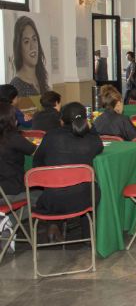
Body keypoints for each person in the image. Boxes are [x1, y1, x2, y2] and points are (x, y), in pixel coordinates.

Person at [33, 102, 103, 239]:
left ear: (61, 120)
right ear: (85, 120)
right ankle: (88, 234)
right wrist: (91, 128)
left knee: (56, 188)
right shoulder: (91, 140)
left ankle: (53, 223)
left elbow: (37, 164)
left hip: (51, 201)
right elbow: (99, 146)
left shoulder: (50, 136)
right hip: (83, 199)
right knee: (90, 188)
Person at [0, 102, 38, 211]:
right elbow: (36, 151)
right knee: (44, 196)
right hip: (12, 191)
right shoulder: (12, 137)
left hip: (3, 190)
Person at [10, 16, 50, 97]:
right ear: (19, 48)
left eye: (34, 39)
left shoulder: (41, 78)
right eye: (26, 42)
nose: (32, 47)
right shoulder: (16, 87)